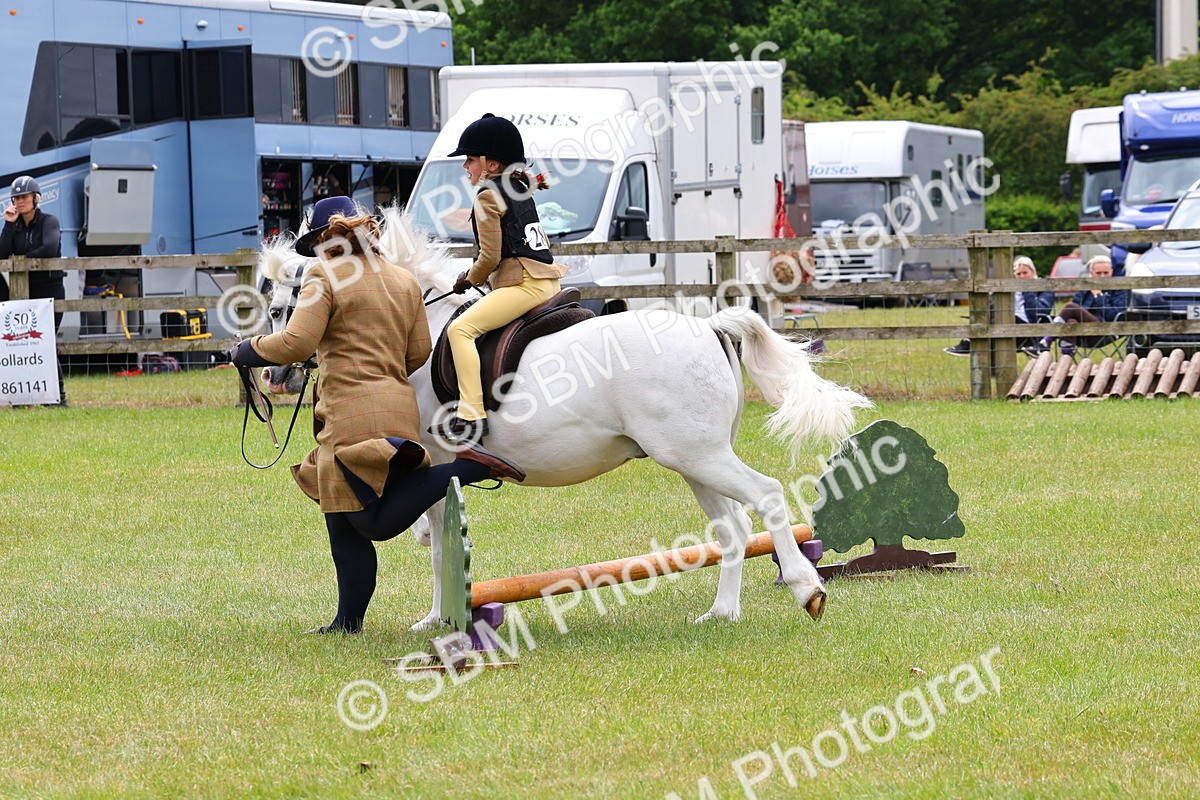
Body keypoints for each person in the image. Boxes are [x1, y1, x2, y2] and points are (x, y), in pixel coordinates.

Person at [231, 196, 526, 634]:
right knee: (340, 519)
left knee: (374, 522)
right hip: (394, 404)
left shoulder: (323, 276)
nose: (314, 252)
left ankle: (466, 466)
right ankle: (347, 622)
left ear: (326, 238)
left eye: (315, 242)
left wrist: (248, 350)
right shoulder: (403, 279)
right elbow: (419, 352)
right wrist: (381, 371)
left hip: (350, 413)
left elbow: (296, 342)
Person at [429, 113, 568, 444]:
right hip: (547, 282)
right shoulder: (520, 186)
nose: (465, 167)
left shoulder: (488, 195)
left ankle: (471, 415)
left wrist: (467, 278)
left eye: (469, 160)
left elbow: (489, 257)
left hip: (523, 285)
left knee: (459, 330)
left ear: (489, 164)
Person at [1, 175, 67, 404]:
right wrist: (8, 224)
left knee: (46, 343)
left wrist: (21, 260)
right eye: (16, 197)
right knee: (24, 344)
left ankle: (59, 397)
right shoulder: (15, 226)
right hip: (23, 294)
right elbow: (2, 252)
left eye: (24, 197)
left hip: (50, 291)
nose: (19, 201)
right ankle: (25, 395)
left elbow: (49, 248)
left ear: (35, 198)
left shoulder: (49, 221)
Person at [944, 255, 1054, 356]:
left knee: (997, 315)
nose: (1022, 277)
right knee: (992, 316)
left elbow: (1038, 313)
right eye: (1018, 274)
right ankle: (972, 343)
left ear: (1033, 272)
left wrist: (1028, 290)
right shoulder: (1012, 289)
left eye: (1025, 273)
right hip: (1005, 324)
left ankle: (969, 342)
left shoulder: (1044, 288)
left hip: (1029, 329)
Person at [1024, 254, 1127, 357]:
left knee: (1070, 307)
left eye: (1106, 273)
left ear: (1112, 272)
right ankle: (1066, 358)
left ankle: (1045, 342)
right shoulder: (1085, 288)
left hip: (1105, 329)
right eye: (1098, 273)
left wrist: (1098, 295)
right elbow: (1073, 312)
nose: (1102, 276)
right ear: (1091, 273)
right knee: (1071, 321)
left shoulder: (1119, 288)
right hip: (1083, 330)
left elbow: (1112, 316)